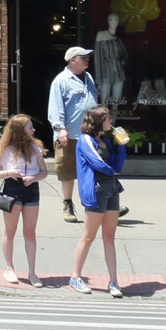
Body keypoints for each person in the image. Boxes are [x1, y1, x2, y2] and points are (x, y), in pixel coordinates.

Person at [70, 104, 129, 297]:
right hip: (95, 191)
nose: (111, 122)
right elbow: (96, 163)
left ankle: (113, 281)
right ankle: (75, 276)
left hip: (111, 189)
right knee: (89, 235)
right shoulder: (84, 140)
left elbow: (117, 165)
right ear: (98, 121)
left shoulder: (105, 141)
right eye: (107, 119)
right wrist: (113, 171)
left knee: (109, 236)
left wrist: (121, 148)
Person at [0, 113, 46, 286]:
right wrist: (9, 172)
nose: (33, 129)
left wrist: (34, 178)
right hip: (12, 188)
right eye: (29, 127)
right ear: (20, 130)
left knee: (30, 232)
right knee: (10, 230)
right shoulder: (4, 149)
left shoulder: (36, 147)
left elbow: (44, 172)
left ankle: (32, 272)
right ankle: (9, 268)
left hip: (31, 189)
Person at [47, 46, 98, 223]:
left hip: (89, 134)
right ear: (73, 60)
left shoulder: (88, 77)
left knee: (93, 170)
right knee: (68, 172)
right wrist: (60, 128)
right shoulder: (61, 81)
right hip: (69, 135)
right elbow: (55, 107)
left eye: (87, 56)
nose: (87, 59)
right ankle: (67, 204)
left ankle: (96, 205)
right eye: (83, 57)